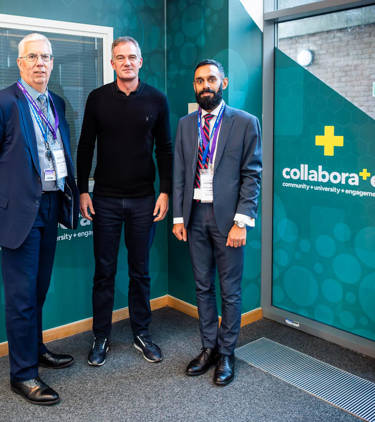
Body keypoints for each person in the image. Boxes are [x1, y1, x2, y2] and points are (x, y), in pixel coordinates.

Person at [0, 33, 79, 405]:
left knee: (39, 289)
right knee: (20, 297)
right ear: (19, 63)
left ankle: (36, 348)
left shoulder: (57, 103)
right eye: (32, 56)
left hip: (50, 205)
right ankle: (23, 374)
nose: (40, 63)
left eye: (46, 56)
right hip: (19, 214)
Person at [77, 36, 172, 366]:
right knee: (103, 272)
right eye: (120, 57)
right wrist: (82, 190)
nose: (127, 62)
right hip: (104, 200)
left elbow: (165, 149)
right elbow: (85, 146)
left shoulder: (157, 100)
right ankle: (100, 336)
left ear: (140, 61)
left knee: (140, 272)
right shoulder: (97, 99)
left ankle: (141, 334)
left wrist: (166, 191)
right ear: (112, 63)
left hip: (144, 200)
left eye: (132, 56)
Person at [172, 59, 262, 386]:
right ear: (194, 86)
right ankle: (208, 347)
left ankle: (227, 353)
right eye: (199, 81)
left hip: (228, 220)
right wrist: (179, 217)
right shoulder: (185, 124)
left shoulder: (245, 122)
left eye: (211, 79)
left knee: (231, 291)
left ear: (223, 83)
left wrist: (242, 222)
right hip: (195, 215)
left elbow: (252, 175)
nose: (205, 85)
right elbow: (180, 173)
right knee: (202, 286)